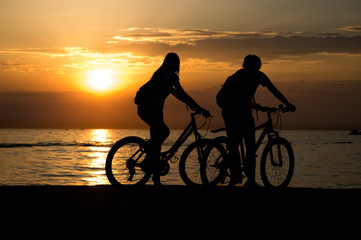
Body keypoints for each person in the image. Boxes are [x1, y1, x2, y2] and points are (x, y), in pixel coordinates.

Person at [216, 55, 296, 187]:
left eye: (257, 67)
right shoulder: (239, 77)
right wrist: (256, 106)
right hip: (231, 110)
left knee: (248, 147)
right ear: (247, 66)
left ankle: (248, 179)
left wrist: (287, 103)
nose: (256, 69)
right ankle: (240, 177)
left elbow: (274, 90)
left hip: (243, 110)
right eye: (254, 66)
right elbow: (237, 99)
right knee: (242, 145)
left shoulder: (259, 76)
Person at [135, 52, 210, 186]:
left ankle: (152, 165)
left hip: (145, 108)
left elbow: (176, 93)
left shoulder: (159, 73)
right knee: (162, 134)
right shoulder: (170, 75)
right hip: (152, 109)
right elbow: (181, 93)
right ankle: (152, 170)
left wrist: (193, 105)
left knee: (159, 136)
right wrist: (199, 108)